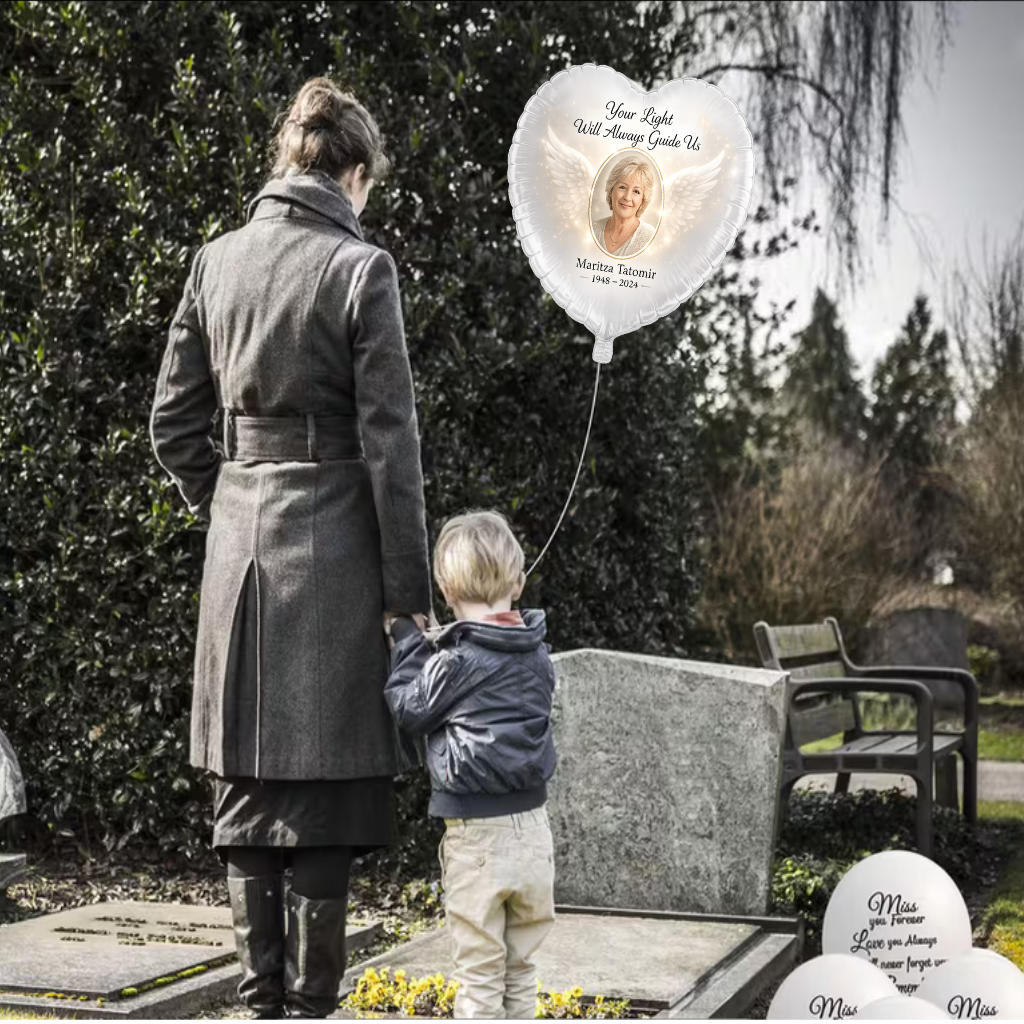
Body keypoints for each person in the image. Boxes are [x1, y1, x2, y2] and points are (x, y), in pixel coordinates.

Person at [149, 77, 431, 1018]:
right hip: (338, 555)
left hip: (239, 555)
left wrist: (229, 499)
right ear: (352, 174)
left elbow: (171, 425)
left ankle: (257, 1003)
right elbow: (392, 452)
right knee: (321, 796)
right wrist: (408, 598)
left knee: (249, 784)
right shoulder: (363, 270)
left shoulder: (214, 260)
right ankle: (308, 1010)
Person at [383, 510, 557, 1020]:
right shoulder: (538, 654)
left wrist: (410, 642)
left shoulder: (454, 663)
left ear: (443, 587)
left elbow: (411, 707)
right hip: (533, 834)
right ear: (519, 581)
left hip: (477, 837)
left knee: (479, 978)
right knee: (520, 971)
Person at [591, 155, 658, 257]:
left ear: (643, 200)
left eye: (636, 191)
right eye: (622, 187)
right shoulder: (593, 229)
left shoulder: (651, 237)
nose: (627, 197)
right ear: (611, 190)